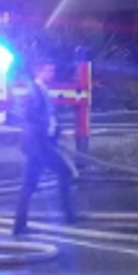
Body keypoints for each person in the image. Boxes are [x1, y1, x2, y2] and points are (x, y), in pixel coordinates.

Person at [12, 59, 79, 237]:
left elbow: (48, 117)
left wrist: (58, 132)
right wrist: (48, 135)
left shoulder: (42, 90)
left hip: (41, 144)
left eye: (53, 70)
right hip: (38, 146)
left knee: (35, 183)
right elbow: (32, 116)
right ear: (39, 72)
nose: (53, 74)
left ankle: (21, 225)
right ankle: (21, 226)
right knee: (32, 183)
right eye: (49, 71)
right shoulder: (35, 91)